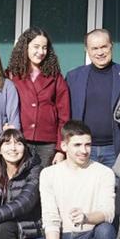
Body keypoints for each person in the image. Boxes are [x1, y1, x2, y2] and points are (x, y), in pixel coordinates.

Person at [14, 121, 116, 239]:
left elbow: (108, 213)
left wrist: (86, 217)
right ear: (64, 146)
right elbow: (51, 220)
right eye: (77, 145)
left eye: (88, 145)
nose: (84, 150)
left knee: (106, 230)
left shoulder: (105, 173)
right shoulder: (49, 174)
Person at [65, 28, 120, 239]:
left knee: (110, 204)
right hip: (82, 149)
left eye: (103, 47)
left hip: (114, 151)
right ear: (87, 50)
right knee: (80, 199)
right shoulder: (74, 76)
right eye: (94, 48)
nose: (99, 52)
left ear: (111, 46)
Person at [8, 27, 71, 167]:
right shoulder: (12, 75)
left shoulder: (55, 77)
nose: (41, 52)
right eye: (36, 47)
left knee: (44, 180)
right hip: (18, 141)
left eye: (44, 47)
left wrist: (61, 149)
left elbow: (64, 116)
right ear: (25, 47)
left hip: (48, 144)